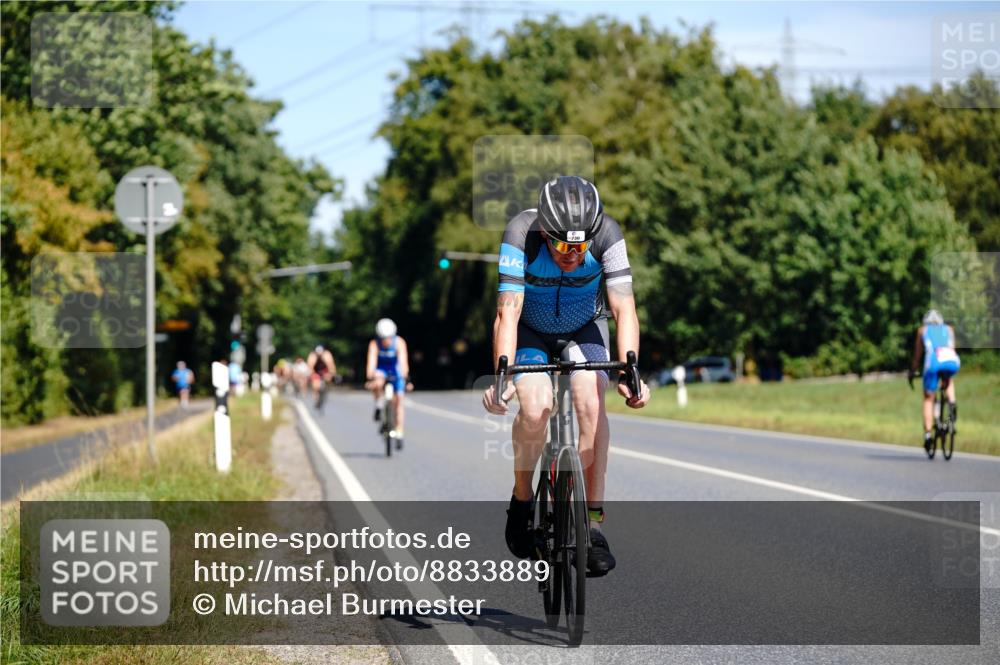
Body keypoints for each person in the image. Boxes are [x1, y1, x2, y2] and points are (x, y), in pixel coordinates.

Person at [481, 175, 650, 576]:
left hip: (583, 327)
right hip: (530, 332)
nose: (571, 254)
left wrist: (631, 368)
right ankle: (522, 503)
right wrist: (502, 378)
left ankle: (591, 525)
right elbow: (508, 311)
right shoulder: (521, 233)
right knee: (536, 408)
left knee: (591, 402)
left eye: (579, 245)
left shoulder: (608, 233)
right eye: (559, 244)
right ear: (544, 230)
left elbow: (624, 308)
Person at [911, 309, 960, 452]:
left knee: (928, 398)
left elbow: (917, 355)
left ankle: (927, 435)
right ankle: (952, 402)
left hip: (933, 362)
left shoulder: (922, 330)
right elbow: (952, 348)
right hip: (951, 360)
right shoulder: (949, 329)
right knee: (948, 379)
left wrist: (912, 371)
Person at [365, 318, 411, 447]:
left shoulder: (399, 343)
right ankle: (379, 404)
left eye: (389, 337)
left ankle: (399, 432)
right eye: (383, 338)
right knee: (377, 382)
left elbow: (403, 362)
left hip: (395, 370)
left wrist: (406, 378)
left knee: (399, 401)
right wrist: (370, 378)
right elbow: (371, 362)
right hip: (381, 369)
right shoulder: (374, 344)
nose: (386, 340)